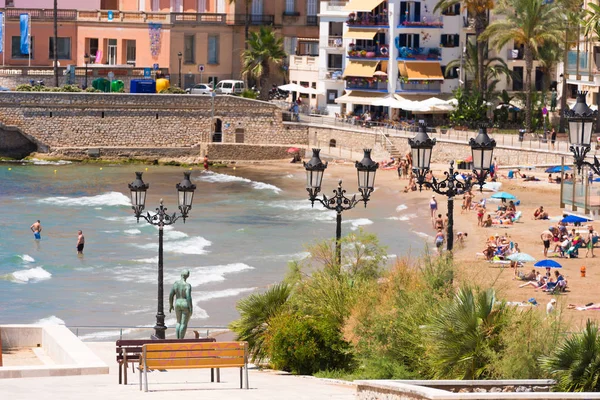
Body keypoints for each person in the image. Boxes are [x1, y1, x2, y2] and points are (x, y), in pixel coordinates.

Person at [169, 270, 193, 339]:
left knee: (178, 322)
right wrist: (191, 308)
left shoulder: (176, 284)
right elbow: (188, 296)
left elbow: (171, 295)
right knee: (183, 323)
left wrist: (171, 304)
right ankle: (181, 340)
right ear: (187, 276)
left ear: (181, 275)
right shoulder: (187, 285)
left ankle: (177, 340)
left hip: (177, 303)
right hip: (185, 303)